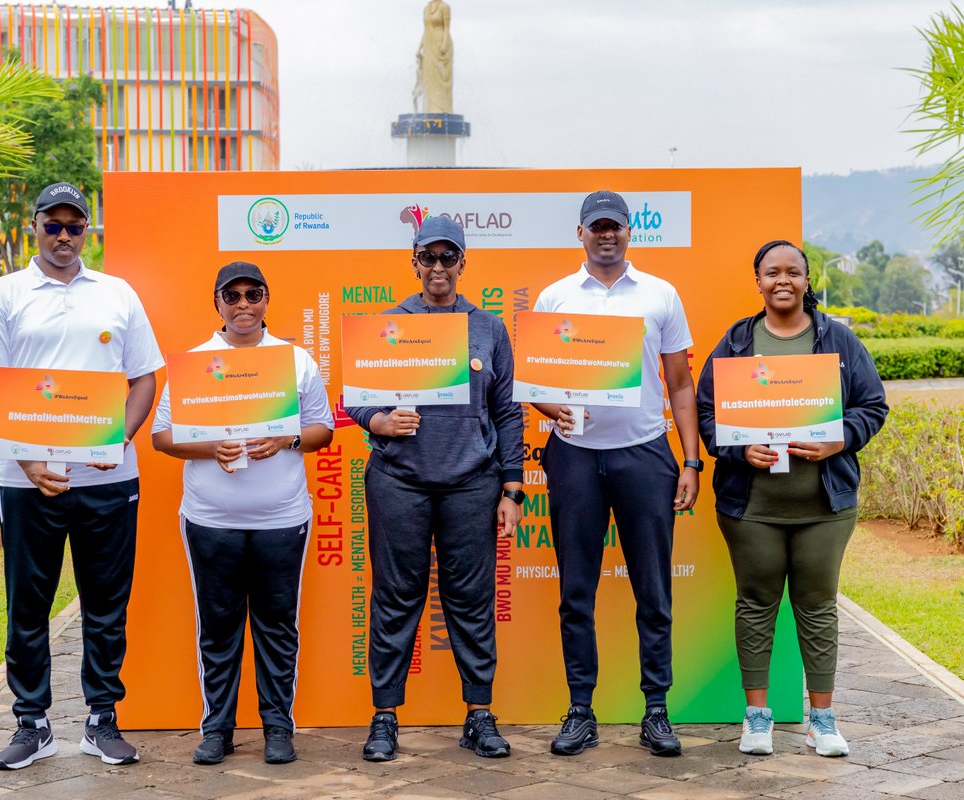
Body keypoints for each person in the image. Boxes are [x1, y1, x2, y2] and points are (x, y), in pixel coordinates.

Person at [0, 182, 163, 770]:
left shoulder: (116, 293)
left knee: (106, 603)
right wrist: (26, 458)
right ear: (35, 227)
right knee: (29, 603)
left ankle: (102, 720)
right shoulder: (4, 294)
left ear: (88, 231)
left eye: (76, 226)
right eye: (54, 225)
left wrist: (116, 441)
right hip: (25, 480)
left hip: (107, 479)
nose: (65, 237)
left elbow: (145, 377)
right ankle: (32, 722)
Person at [695, 240, 888, 757]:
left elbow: (873, 405)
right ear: (757, 281)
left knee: (818, 606)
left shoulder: (838, 341)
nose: (783, 280)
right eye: (771, 272)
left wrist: (840, 437)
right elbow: (706, 413)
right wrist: (738, 448)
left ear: (807, 280)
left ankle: (821, 720)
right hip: (751, 508)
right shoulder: (737, 342)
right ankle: (756, 718)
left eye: (793, 272)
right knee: (755, 604)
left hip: (825, 506)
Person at [346, 216, 524, 762]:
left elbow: (508, 411)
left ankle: (478, 715)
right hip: (400, 480)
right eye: (430, 257)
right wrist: (378, 421)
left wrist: (512, 489)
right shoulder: (390, 323)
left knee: (471, 601)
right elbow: (355, 399)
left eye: (450, 258)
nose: (439, 267)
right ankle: (384, 717)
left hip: (473, 483)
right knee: (395, 599)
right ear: (414, 261)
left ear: (463, 263)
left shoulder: (489, 328)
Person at [531, 190, 701, 758]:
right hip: (574, 456)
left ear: (631, 233)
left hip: (644, 454)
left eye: (617, 227)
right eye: (597, 226)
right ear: (580, 232)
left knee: (653, 591)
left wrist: (691, 459)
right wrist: (545, 408)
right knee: (575, 590)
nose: (607, 235)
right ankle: (581, 710)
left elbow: (680, 384)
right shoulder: (555, 297)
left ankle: (657, 710)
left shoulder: (661, 295)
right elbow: (535, 385)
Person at [151, 262, 334, 766]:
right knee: (218, 625)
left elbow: (323, 429)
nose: (243, 305)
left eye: (253, 294)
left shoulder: (295, 360)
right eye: (232, 296)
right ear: (218, 304)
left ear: (267, 300)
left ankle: (278, 727)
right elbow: (161, 436)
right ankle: (218, 729)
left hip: (281, 518)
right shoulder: (193, 364)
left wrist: (287, 438)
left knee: (277, 625)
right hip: (211, 519)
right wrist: (211, 448)